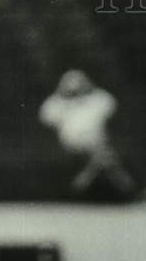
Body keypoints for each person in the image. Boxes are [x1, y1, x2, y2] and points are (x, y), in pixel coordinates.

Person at [38, 69, 135, 197]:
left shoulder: (96, 100)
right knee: (104, 152)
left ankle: (86, 177)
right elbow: (45, 116)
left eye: (80, 85)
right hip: (72, 142)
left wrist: (89, 92)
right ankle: (114, 180)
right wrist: (60, 95)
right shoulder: (58, 103)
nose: (76, 91)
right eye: (72, 89)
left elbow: (110, 105)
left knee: (102, 150)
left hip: (95, 141)